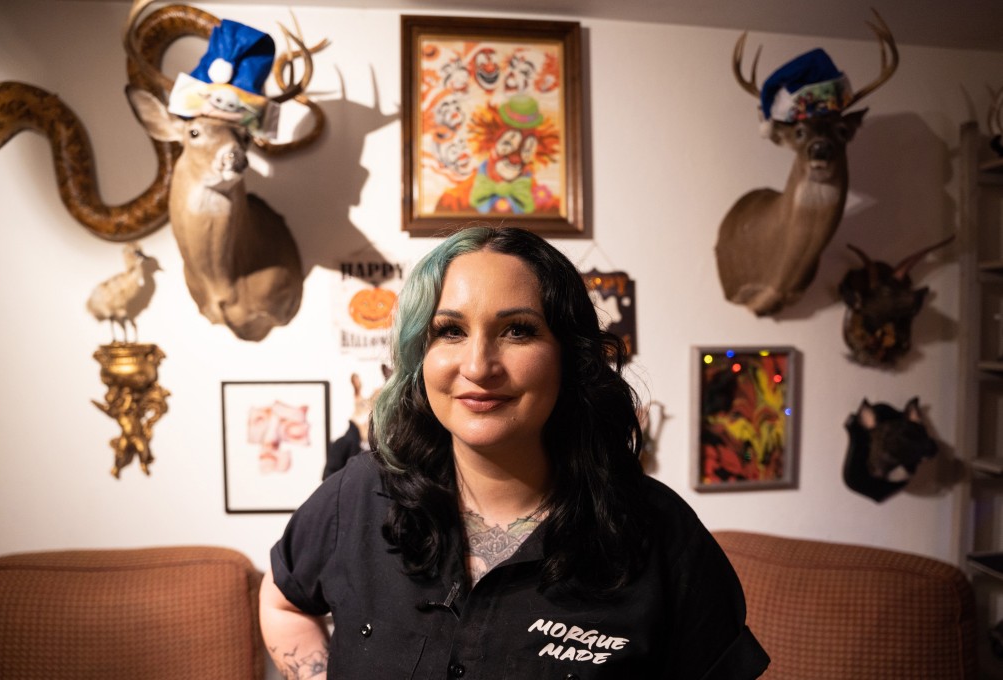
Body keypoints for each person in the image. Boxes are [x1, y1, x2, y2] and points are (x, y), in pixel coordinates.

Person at [260, 226, 770, 679]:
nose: (479, 365)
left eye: (517, 330)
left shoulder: (659, 534)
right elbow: (283, 602)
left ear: (569, 357)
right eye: (450, 331)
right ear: (421, 355)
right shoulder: (357, 494)